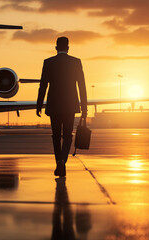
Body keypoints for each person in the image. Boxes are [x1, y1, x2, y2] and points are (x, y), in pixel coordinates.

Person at [36, 36, 87, 177]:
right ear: (68, 48)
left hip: (54, 104)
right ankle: (62, 161)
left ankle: (58, 161)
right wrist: (84, 107)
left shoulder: (48, 62)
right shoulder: (76, 62)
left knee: (56, 135)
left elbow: (43, 85)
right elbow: (82, 86)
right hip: (70, 105)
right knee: (68, 135)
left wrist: (39, 105)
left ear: (56, 48)